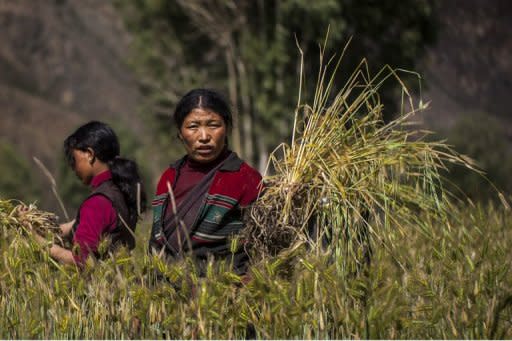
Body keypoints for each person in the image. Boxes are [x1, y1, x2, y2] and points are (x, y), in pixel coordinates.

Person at [149, 88, 263, 275]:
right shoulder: (169, 176)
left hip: (222, 292)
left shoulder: (245, 179)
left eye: (213, 125)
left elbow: (259, 247)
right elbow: (155, 243)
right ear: (179, 133)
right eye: (193, 126)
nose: (203, 137)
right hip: (165, 294)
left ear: (227, 128)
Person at [33, 121, 147, 265]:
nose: (73, 169)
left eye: (74, 160)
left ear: (89, 154)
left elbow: (81, 260)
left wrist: (36, 240)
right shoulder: (120, 191)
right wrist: (37, 225)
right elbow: (74, 226)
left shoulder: (97, 202)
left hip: (101, 286)